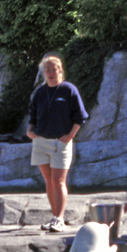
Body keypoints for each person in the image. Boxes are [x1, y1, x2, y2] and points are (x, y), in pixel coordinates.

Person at [26, 54, 88, 233]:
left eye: (54, 69)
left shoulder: (68, 89)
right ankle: (55, 217)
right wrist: (30, 131)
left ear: (60, 70)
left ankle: (60, 218)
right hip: (40, 141)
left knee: (58, 181)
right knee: (48, 181)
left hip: (60, 142)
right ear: (43, 72)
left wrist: (69, 137)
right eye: (47, 70)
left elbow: (80, 116)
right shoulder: (40, 92)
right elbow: (33, 114)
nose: (51, 73)